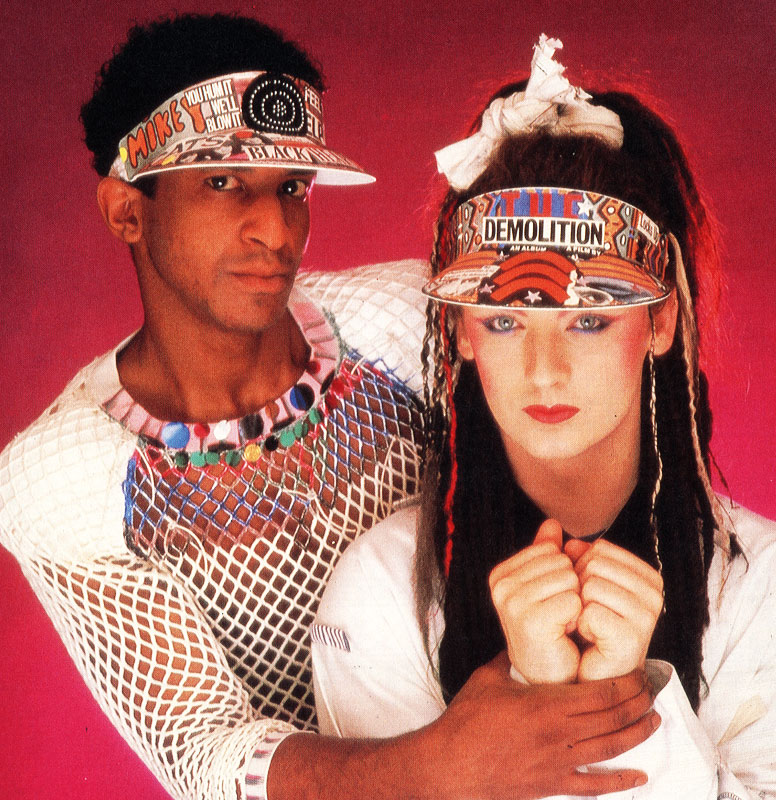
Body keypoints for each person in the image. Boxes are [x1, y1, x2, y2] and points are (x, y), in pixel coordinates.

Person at [0, 18, 660, 800]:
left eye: (292, 188)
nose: (275, 229)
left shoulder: (406, 316)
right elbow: (203, 752)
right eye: (223, 183)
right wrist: (443, 767)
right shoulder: (63, 477)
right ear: (125, 211)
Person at [312, 35, 776, 798]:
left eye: (588, 320)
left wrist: (626, 689)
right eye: (504, 321)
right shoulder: (383, 589)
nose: (544, 369)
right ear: (461, 332)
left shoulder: (757, 590)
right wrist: (531, 683)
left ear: (659, 322)